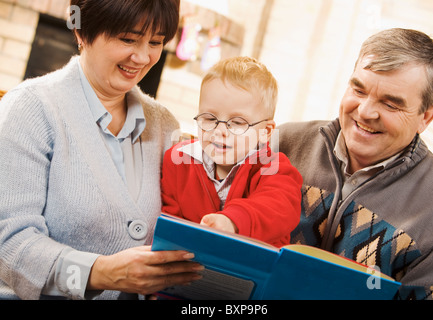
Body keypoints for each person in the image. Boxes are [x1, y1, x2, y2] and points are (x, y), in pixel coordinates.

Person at [0, 0, 204, 300]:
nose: (143, 56)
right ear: (82, 31)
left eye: (156, 42)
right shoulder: (30, 108)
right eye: (128, 39)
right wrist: (101, 273)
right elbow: (10, 243)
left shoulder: (163, 125)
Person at [277, 28, 433, 300]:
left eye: (391, 104)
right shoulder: (282, 144)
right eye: (359, 89)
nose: (366, 112)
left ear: (425, 117)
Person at [161, 57, 303, 247]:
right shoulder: (178, 161)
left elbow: (279, 207)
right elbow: (169, 223)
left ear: (265, 132)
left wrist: (232, 221)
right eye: (209, 118)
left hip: (251, 269)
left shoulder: (274, 168)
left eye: (237, 123)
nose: (220, 131)